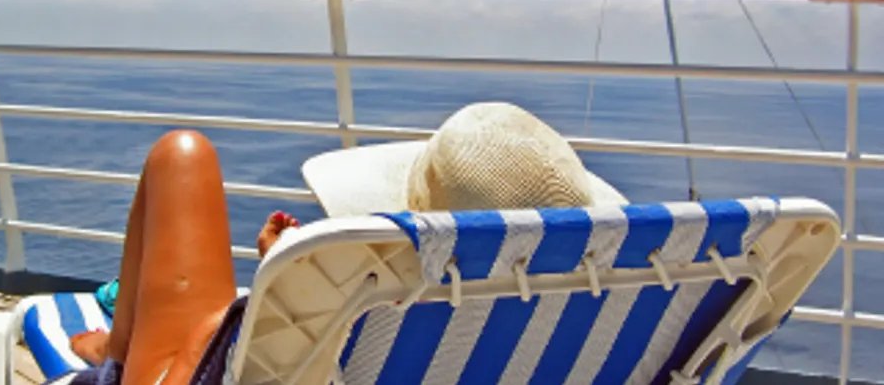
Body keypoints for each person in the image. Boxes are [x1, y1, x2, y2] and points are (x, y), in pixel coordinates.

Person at [59, 102, 625, 384]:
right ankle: (118, 347)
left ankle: (119, 354)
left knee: (181, 155)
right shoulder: (597, 310)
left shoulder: (379, 302)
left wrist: (294, 275)